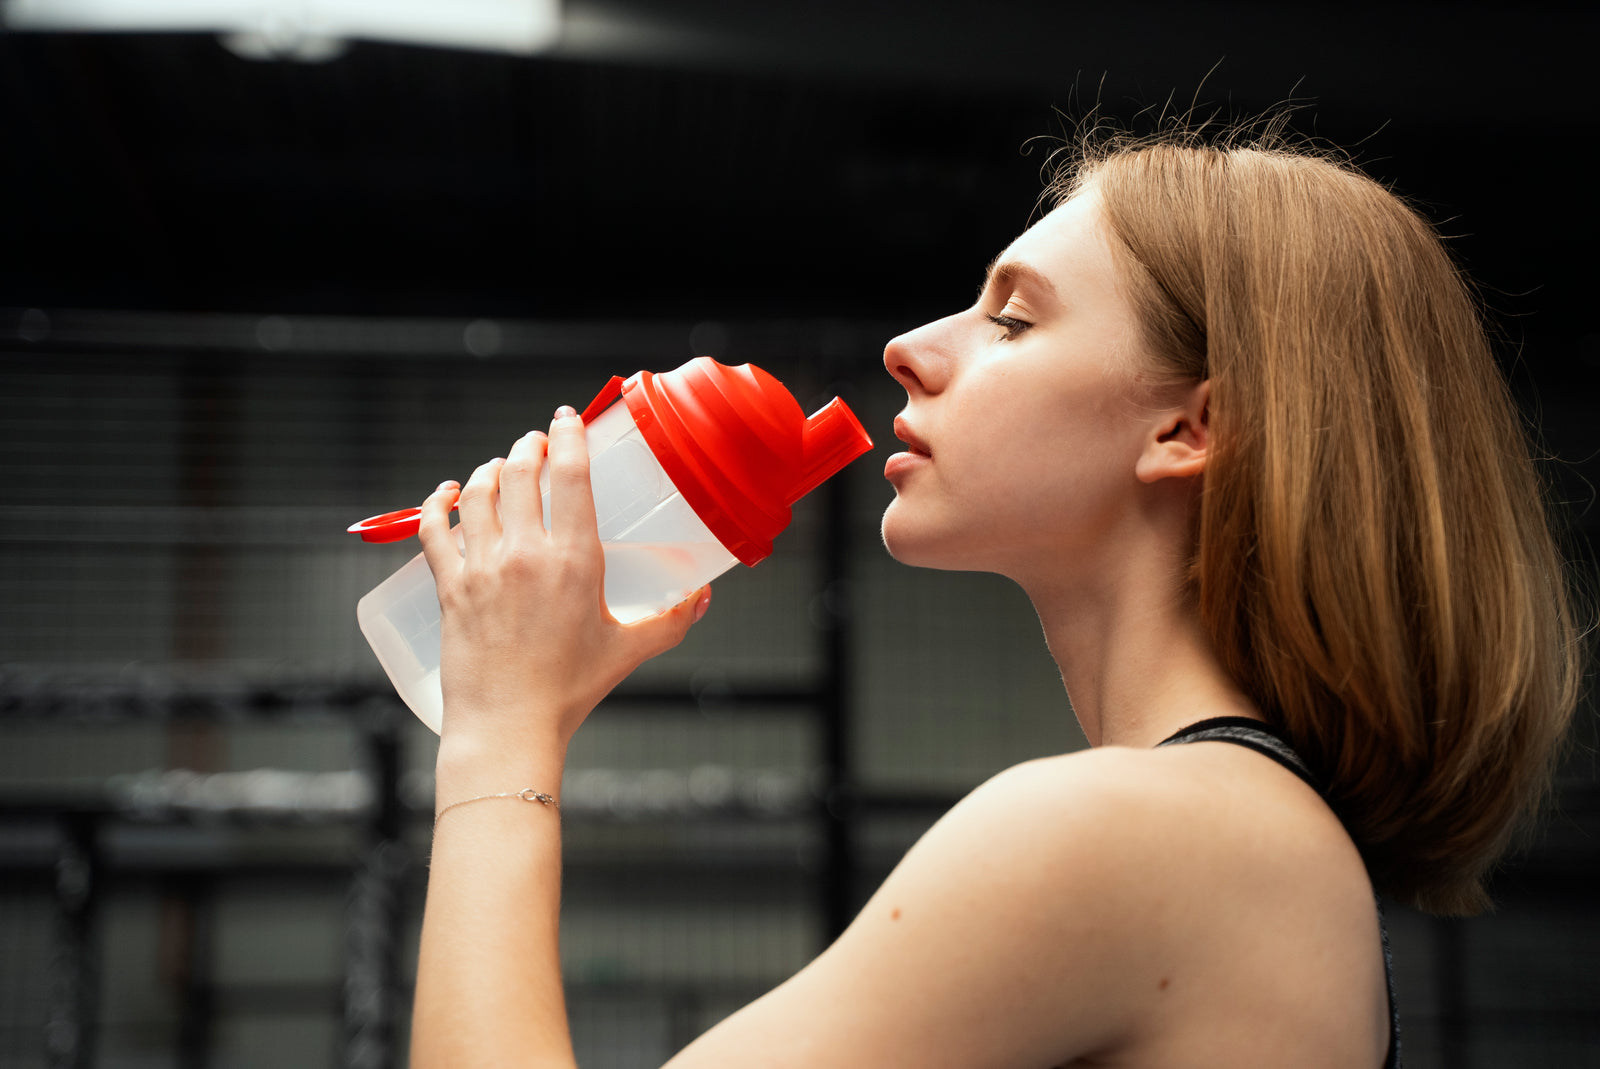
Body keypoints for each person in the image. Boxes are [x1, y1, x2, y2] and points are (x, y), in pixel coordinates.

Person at [407, 124, 1582, 1067]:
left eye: (1011, 318)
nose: (909, 347)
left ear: (1191, 425)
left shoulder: (1139, 834)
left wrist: (501, 732)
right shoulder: (1254, 840)